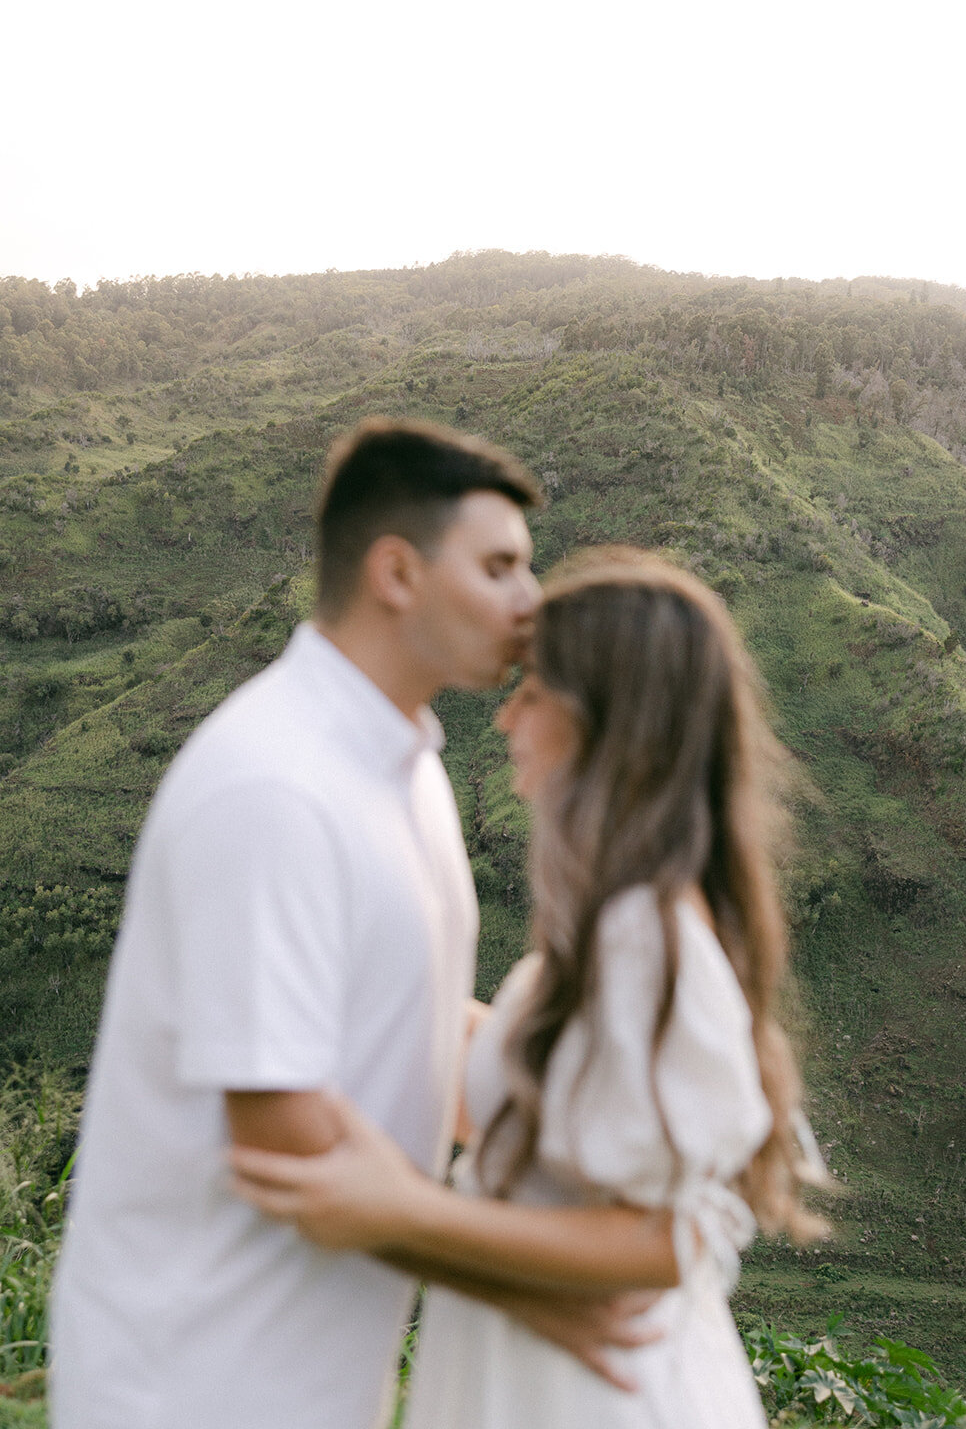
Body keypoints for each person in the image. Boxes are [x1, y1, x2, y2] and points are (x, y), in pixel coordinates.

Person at [51, 417, 577, 1429]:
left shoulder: (408, 769)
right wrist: (534, 1283)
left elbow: (409, 1023)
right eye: (501, 566)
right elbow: (282, 1132)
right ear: (395, 571)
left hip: (321, 1373)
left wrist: (623, 1104)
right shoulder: (273, 785)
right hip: (198, 1380)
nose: (530, 601)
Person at [231, 548, 825, 1429]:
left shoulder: (641, 936)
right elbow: (531, 1099)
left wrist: (405, 1213)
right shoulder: (620, 924)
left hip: (600, 1393)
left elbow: (671, 1236)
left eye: (533, 692)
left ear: (604, 724)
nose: (505, 716)